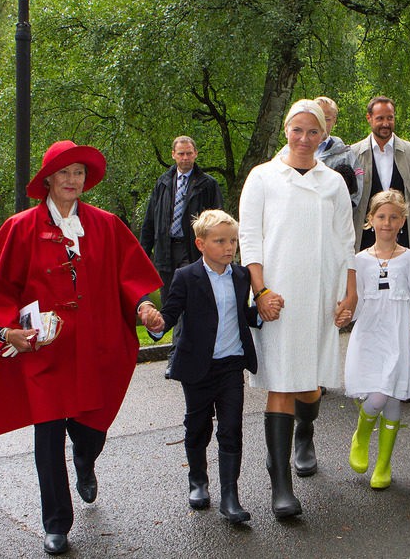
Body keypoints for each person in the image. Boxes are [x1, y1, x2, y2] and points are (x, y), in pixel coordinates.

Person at [0, 141, 163, 556]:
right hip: (44, 351)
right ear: (48, 179)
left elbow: (131, 276)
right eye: (65, 173)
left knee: (91, 424)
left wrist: (143, 306)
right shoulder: (20, 228)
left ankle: (85, 457)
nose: (73, 181)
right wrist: (5, 331)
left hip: (97, 345)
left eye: (79, 174)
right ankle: (56, 523)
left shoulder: (105, 225)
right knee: (47, 433)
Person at [238, 98, 357, 519]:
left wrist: (350, 293)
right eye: (297, 130)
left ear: (324, 135)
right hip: (278, 297)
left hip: (321, 294)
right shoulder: (263, 177)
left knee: (309, 387)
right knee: (281, 382)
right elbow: (250, 238)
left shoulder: (333, 182)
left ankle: (305, 430)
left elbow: (347, 242)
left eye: (313, 132)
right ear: (286, 130)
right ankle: (280, 483)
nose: (304, 139)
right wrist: (261, 290)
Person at [143, 210, 258, 524]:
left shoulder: (241, 276)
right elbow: (169, 314)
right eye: (220, 241)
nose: (228, 246)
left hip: (232, 364)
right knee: (198, 427)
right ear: (201, 244)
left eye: (232, 240)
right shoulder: (186, 276)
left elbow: (244, 315)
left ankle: (230, 497)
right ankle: (198, 481)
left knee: (231, 427)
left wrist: (261, 312)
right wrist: (155, 324)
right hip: (197, 367)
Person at [346, 190, 410, 490]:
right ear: (370, 220)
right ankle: (361, 432)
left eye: (394, 217)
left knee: (393, 398)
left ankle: (383, 464)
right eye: (381, 216)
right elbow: (353, 304)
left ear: (402, 221)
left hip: (397, 336)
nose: (387, 222)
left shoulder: (409, 258)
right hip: (369, 335)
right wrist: (342, 311)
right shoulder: (358, 260)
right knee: (377, 396)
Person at [140, 135, 223, 378]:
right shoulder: (164, 183)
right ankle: (185, 353)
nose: (185, 158)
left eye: (189, 153)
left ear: (196, 154)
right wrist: (142, 254)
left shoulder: (207, 184)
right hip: (166, 250)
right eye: (181, 154)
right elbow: (150, 220)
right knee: (170, 303)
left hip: (193, 249)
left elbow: (217, 221)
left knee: (188, 302)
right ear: (173, 155)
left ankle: (176, 356)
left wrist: (215, 250)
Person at [351, 96, 410, 250]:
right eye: (380, 118)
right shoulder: (353, 154)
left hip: (407, 241)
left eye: (390, 118)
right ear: (369, 118)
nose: (385, 123)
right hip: (364, 243)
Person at [278, 96, 364, 207]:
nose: (321, 122)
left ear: (334, 120)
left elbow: (354, 194)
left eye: (326, 119)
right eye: (318, 117)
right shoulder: (284, 154)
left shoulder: (345, 155)